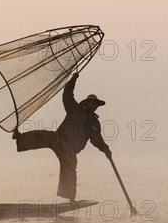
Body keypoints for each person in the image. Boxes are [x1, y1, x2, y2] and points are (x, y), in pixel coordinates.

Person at [12, 73, 111, 202]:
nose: (94, 106)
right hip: (59, 139)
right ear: (87, 104)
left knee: (70, 168)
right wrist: (73, 80)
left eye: (96, 104)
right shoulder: (75, 109)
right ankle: (20, 138)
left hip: (70, 149)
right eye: (92, 103)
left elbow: (97, 140)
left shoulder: (94, 123)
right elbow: (67, 94)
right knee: (43, 135)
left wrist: (106, 150)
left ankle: (70, 198)